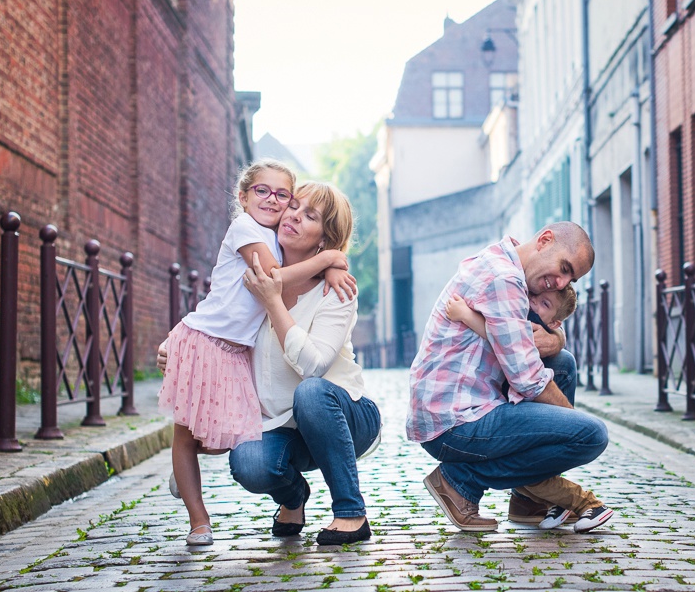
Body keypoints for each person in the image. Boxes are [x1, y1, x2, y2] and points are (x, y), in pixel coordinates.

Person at [160, 181, 380, 547]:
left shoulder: (336, 290)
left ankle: (350, 513)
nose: (293, 214)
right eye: (293, 206)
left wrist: (275, 301)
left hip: (343, 416)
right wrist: (175, 347)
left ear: (324, 240)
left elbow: (313, 367)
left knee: (310, 393)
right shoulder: (256, 277)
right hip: (280, 425)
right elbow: (218, 321)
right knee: (249, 464)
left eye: (310, 215)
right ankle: (293, 498)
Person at [408, 222, 608, 532]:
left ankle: (527, 501)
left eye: (571, 279)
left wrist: (558, 339)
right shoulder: (504, 278)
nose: (561, 283)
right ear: (544, 240)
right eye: (564, 268)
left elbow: (539, 326)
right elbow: (527, 379)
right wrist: (571, 425)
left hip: (471, 405)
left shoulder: (510, 263)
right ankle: (459, 481)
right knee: (591, 435)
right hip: (453, 423)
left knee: (562, 363)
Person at [444, 284, 614, 532]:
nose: (533, 303)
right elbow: (500, 331)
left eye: (544, 304)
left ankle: (577, 502)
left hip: (511, 402)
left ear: (554, 323)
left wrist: (466, 316)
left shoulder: (533, 328)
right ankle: (554, 499)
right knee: (529, 460)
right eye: (534, 297)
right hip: (498, 404)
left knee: (531, 461)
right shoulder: (522, 310)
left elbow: (498, 337)